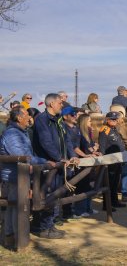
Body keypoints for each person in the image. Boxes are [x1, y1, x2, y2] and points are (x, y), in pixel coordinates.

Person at [0, 106, 54, 246]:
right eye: (26, 114)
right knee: (16, 207)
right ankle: (14, 238)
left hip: (20, 175)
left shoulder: (20, 132)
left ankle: (12, 236)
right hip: (14, 176)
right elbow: (22, 156)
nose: (29, 117)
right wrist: (44, 161)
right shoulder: (12, 134)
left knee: (16, 206)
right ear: (19, 118)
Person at [32, 93, 78, 239]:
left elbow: (67, 141)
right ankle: (43, 228)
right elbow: (46, 142)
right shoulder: (42, 120)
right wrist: (60, 158)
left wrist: (72, 156)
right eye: (59, 103)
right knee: (47, 196)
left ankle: (49, 225)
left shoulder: (59, 120)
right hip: (47, 164)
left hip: (58, 164)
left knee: (55, 195)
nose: (61, 105)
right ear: (51, 104)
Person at [98, 112, 127, 210]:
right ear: (107, 120)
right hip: (109, 161)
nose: (115, 121)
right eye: (112, 119)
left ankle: (114, 201)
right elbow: (102, 146)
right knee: (108, 183)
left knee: (115, 183)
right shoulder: (104, 130)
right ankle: (107, 205)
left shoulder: (114, 129)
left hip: (117, 160)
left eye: (115, 119)